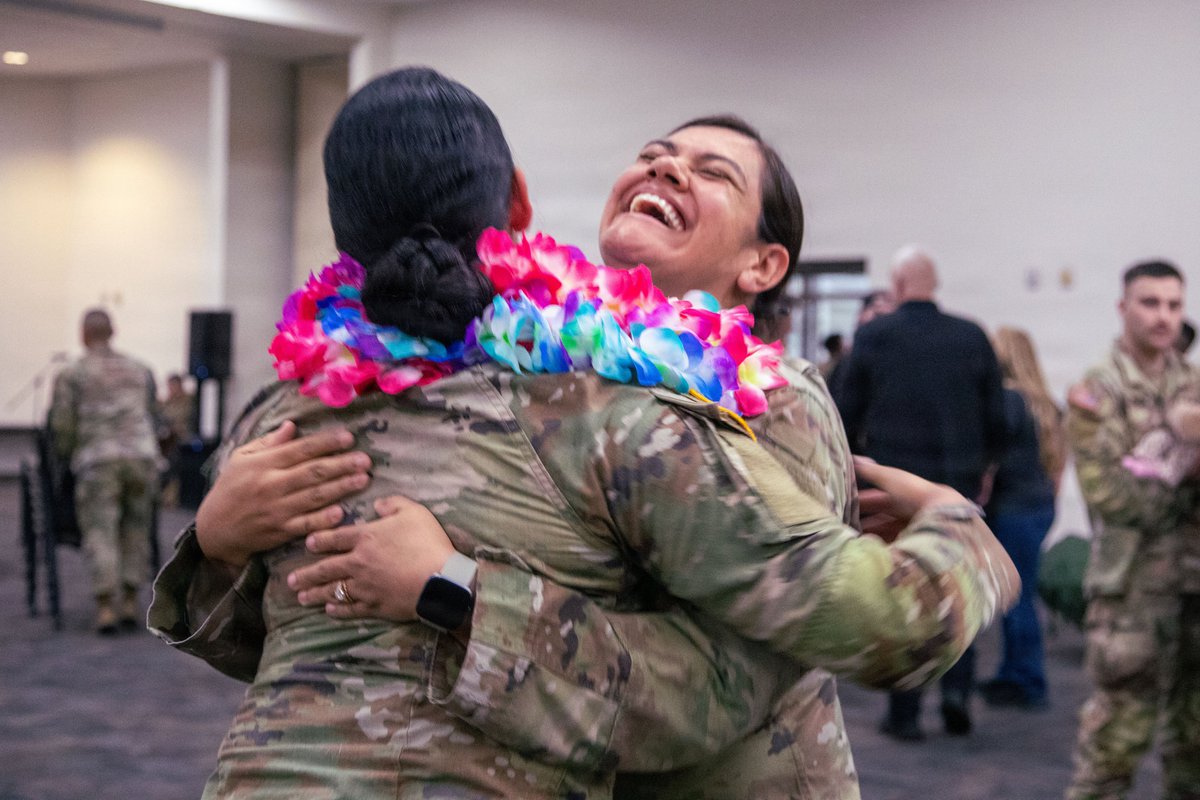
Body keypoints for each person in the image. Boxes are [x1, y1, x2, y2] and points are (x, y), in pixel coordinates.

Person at [151, 78, 1017, 798]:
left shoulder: (770, 397)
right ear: (520, 209)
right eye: (653, 153)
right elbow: (309, 639)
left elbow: (758, 664)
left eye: (711, 171)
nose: (667, 163)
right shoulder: (548, 378)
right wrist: (221, 542)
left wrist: (450, 591)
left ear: (763, 266)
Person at [833, 245, 1007, 740]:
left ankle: (905, 713)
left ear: (899, 286)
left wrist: (859, 474)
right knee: (960, 588)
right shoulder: (972, 336)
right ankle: (956, 695)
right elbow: (998, 417)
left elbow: (844, 416)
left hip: (897, 492)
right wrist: (986, 471)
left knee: (904, 596)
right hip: (959, 484)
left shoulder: (873, 336)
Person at [1063, 259, 1200, 800]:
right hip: (1133, 593)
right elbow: (1113, 497)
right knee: (1115, 748)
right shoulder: (1097, 391)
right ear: (1123, 308)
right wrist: (1190, 473)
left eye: (1173, 304)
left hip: (1196, 589)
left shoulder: (1193, 383)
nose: (1163, 316)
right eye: (1150, 303)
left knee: (1194, 744)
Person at [49, 308, 160, 634]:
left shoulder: (73, 373)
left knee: (101, 530)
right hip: (141, 457)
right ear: (113, 331)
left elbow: (63, 425)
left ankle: (105, 606)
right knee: (136, 527)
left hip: (98, 461)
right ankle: (129, 599)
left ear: (83, 334)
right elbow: (152, 413)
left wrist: (68, 457)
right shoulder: (140, 369)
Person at [977, 326, 1065, 710]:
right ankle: (1015, 672)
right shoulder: (1046, 403)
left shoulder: (1007, 401)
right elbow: (1059, 464)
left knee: (1017, 598)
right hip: (1040, 507)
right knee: (1021, 594)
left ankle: (1026, 679)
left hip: (1013, 509)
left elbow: (990, 463)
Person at [157, 373, 196, 506]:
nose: (171, 389)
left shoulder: (189, 401)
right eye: (169, 386)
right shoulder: (165, 403)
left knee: (174, 463)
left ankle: (171, 497)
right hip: (167, 439)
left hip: (183, 439)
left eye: (173, 386)